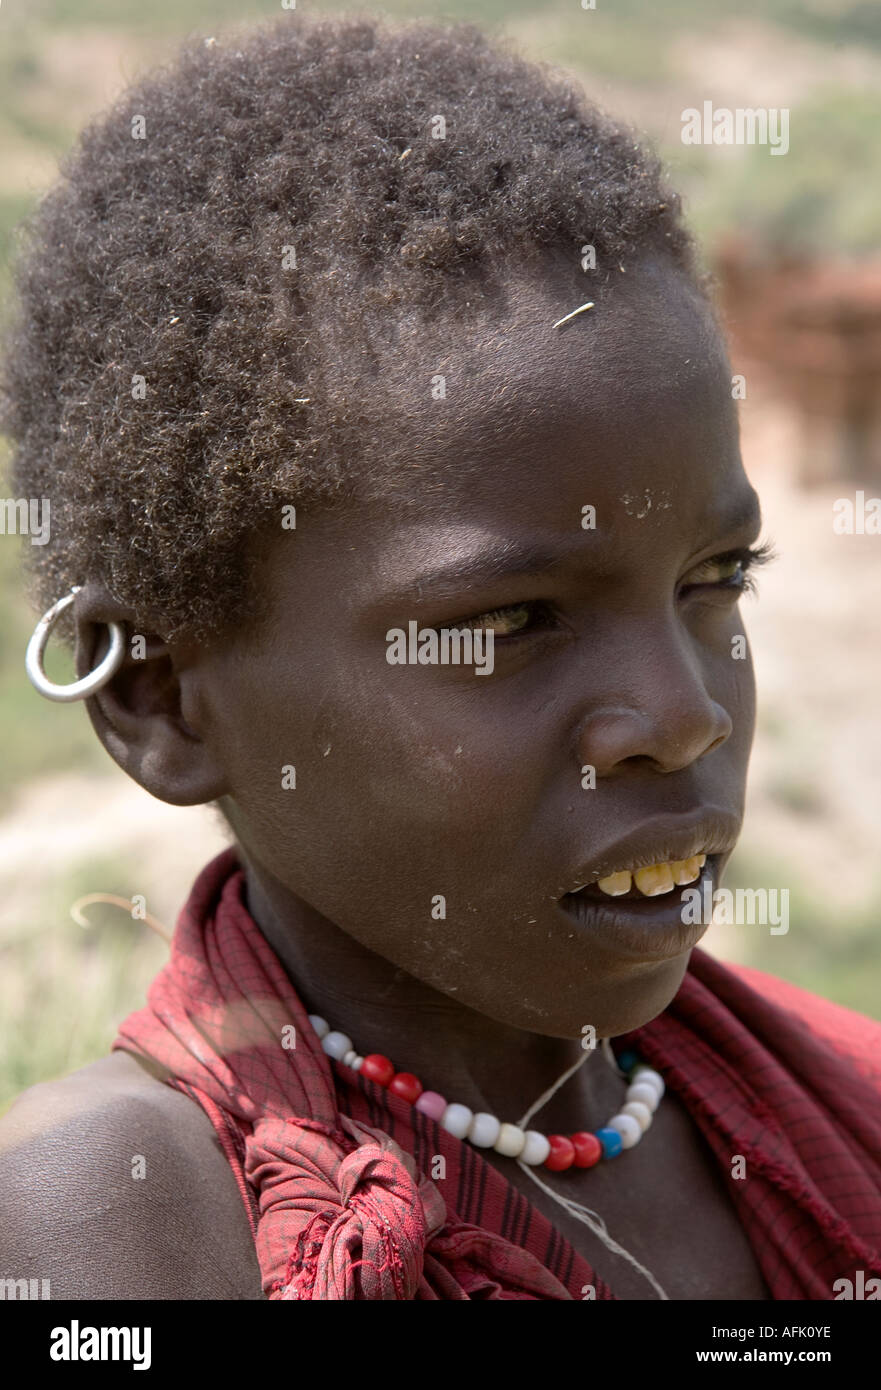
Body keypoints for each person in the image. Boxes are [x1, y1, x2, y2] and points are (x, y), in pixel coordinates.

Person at [1, 13, 879, 1302]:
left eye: (714, 580)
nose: (684, 714)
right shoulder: (118, 1234)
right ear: (160, 699)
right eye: (506, 623)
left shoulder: (834, 1110)